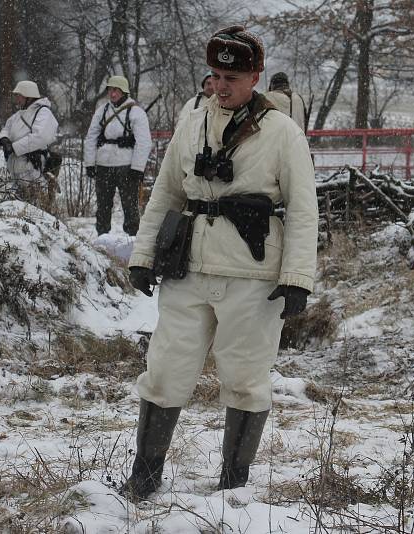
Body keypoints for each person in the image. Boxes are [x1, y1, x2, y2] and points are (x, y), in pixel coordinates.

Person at [122, 25, 318, 501]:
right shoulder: (192, 122)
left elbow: (302, 208)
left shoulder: (282, 133)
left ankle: (234, 486)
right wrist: (143, 256)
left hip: (254, 278)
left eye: (233, 76)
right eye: (216, 75)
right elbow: (166, 192)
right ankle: (144, 476)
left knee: (245, 379)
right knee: (165, 370)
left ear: (255, 77)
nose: (222, 85)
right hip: (189, 268)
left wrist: (297, 279)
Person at [83, 76, 152, 235]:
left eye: (116, 90)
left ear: (124, 91)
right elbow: (91, 137)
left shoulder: (136, 112)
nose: (112, 94)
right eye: (110, 90)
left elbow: (144, 142)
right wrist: (89, 164)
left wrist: (137, 168)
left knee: (130, 207)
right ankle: (102, 238)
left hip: (126, 166)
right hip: (103, 164)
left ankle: (133, 240)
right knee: (103, 206)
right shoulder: (102, 111)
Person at [0, 81, 58, 211]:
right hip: (15, 169)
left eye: (19, 95)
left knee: (35, 208)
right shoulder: (18, 115)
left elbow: (40, 137)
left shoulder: (43, 113)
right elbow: (6, 128)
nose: (16, 98)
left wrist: (15, 147)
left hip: (33, 169)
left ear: (28, 96)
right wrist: (4, 139)